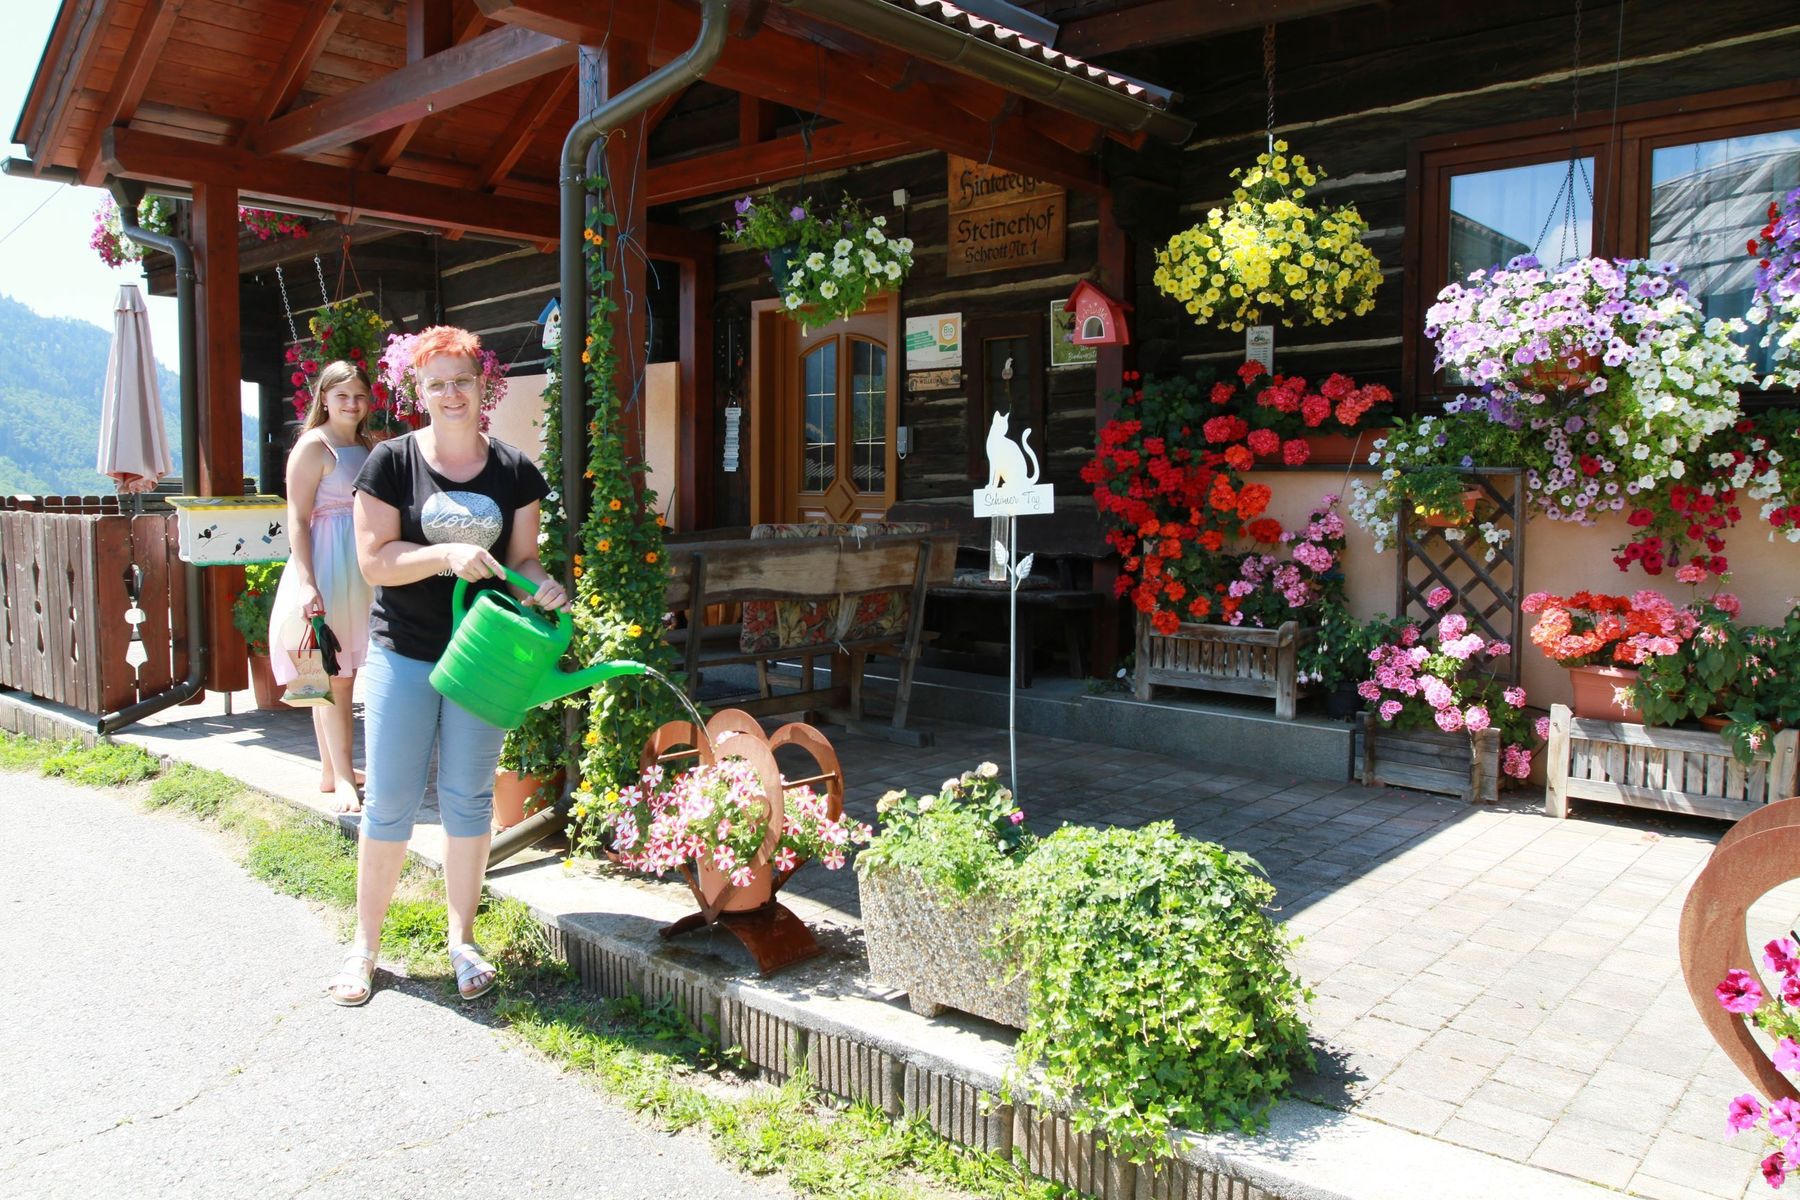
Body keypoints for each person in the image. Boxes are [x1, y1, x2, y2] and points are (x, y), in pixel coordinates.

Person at [327, 326, 567, 1007]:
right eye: (437, 383)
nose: (451, 393)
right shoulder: (390, 464)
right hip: (405, 651)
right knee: (391, 802)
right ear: (417, 391)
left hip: (481, 660)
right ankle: (364, 948)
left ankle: (462, 941)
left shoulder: (515, 470)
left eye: (463, 379)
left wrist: (542, 587)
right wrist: (443, 556)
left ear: (484, 385)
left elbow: (523, 560)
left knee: (467, 798)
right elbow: (375, 561)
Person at [267, 360, 374, 811]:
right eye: (342, 395)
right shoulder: (314, 447)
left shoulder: (367, 446)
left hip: (359, 566)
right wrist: (308, 582)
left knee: (332, 672)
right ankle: (345, 777)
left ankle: (333, 770)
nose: (352, 403)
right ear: (324, 398)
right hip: (325, 564)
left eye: (360, 396)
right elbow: (295, 519)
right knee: (332, 675)